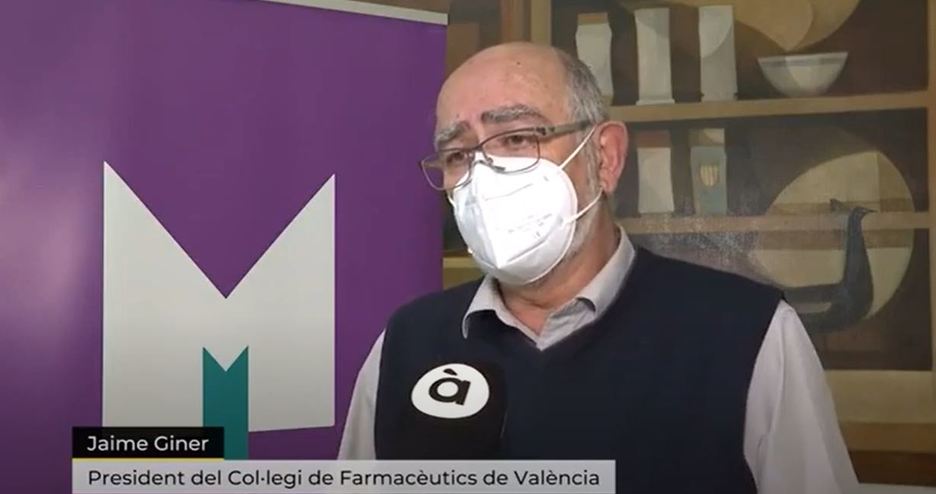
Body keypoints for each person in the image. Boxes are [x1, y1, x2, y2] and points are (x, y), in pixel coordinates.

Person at [339, 42, 858, 493]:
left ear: (604, 158)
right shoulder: (406, 344)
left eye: (517, 138)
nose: (483, 175)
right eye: (457, 154)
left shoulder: (749, 334)